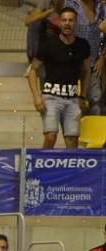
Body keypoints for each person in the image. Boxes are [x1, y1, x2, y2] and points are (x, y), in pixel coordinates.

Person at [27, 6, 90, 149]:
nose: (67, 23)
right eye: (64, 20)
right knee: (50, 137)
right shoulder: (48, 45)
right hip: (50, 97)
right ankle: (43, 166)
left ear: (76, 23)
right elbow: (33, 71)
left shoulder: (83, 45)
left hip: (72, 98)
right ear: (59, 23)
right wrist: (37, 97)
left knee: (72, 141)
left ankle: (71, 171)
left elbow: (86, 71)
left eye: (71, 20)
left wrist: (83, 95)